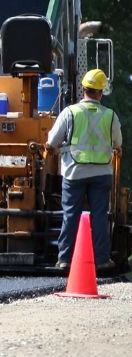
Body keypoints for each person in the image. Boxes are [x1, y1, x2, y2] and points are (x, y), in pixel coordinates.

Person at [45, 68, 123, 270]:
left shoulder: (69, 112)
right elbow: (117, 143)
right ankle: (102, 260)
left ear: (83, 89)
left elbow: (52, 142)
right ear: (101, 91)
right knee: (99, 216)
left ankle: (65, 260)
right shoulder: (111, 116)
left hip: (74, 172)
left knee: (70, 214)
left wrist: (54, 150)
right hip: (102, 173)